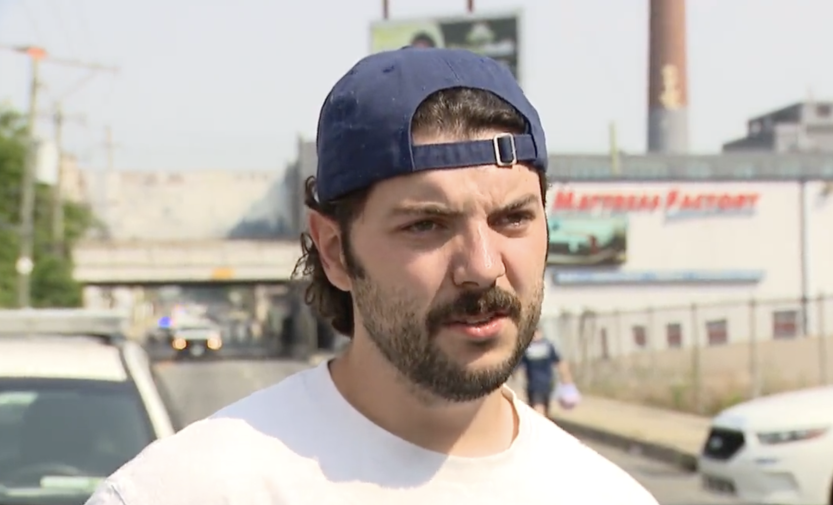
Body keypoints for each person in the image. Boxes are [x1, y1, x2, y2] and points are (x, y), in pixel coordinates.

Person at [85, 47, 659, 504]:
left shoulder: (603, 494)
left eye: (513, 218)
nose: (482, 267)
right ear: (334, 250)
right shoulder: (188, 491)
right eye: (427, 226)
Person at [518, 327, 580, 417]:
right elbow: (560, 363)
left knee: (538, 410)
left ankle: (540, 428)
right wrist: (567, 379)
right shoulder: (548, 346)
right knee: (543, 409)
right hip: (547, 383)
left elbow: (517, 366)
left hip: (534, 384)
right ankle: (542, 426)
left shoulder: (527, 349)